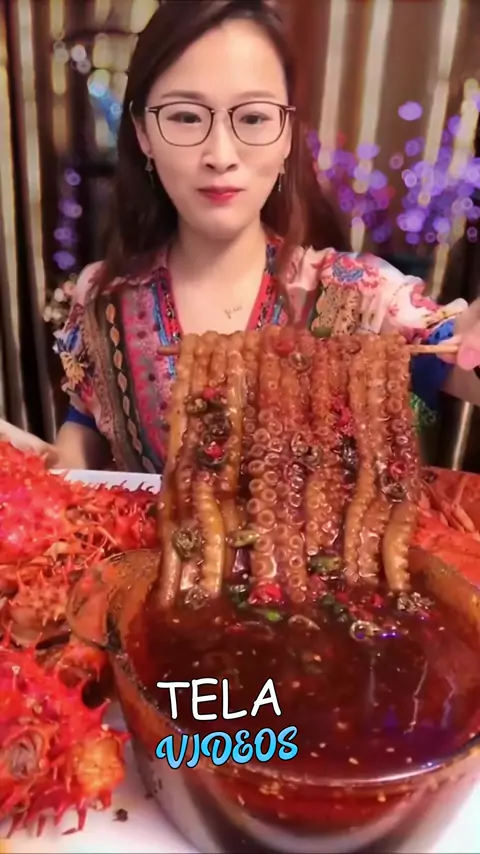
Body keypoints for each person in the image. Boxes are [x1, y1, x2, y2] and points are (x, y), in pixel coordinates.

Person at [50, 0, 480, 473]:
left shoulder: (362, 298)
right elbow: (85, 431)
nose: (220, 155)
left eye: (253, 118)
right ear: (143, 133)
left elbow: (457, 356)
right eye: (186, 117)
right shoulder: (103, 299)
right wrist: (42, 469)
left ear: (287, 133)